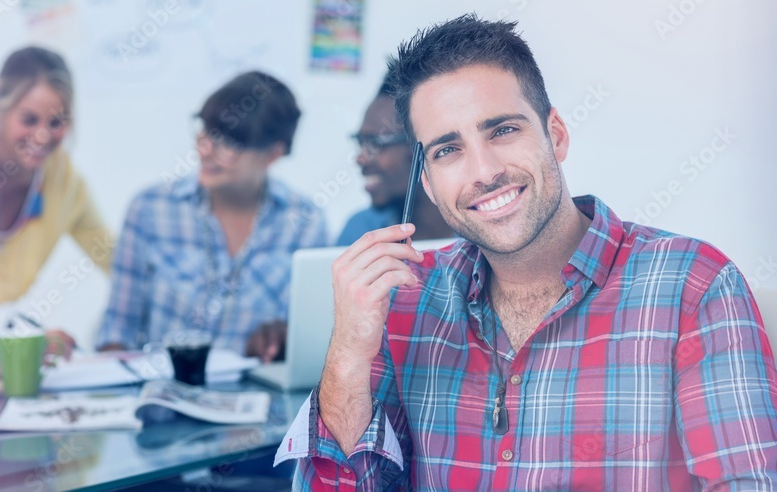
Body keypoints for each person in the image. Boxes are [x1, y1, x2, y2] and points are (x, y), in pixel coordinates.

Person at [276, 15, 777, 490]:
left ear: (555, 135)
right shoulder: (405, 300)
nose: (484, 170)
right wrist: (347, 352)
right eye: (448, 150)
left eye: (503, 130)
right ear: (427, 182)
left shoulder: (694, 285)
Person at [97, 71, 327, 363]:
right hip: (157, 395)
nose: (206, 150)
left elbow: (308, 342)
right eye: (206, 131)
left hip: (254, 399)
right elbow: (118, 327)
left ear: (273, 154)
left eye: (230, 143)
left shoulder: (305, 222)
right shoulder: (150, 209)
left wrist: (281, 339)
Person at [0, 46, 113, 361]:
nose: (42, 136)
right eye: (30, 119)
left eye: (56, 122)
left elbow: (113, 255)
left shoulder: (64, 181)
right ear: (0, 108)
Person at [337, 77, 456, 245]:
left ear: (422, 147)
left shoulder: (482, 232)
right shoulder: (359, 231)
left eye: (374, 143)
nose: (360, 158)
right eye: (360, 142)